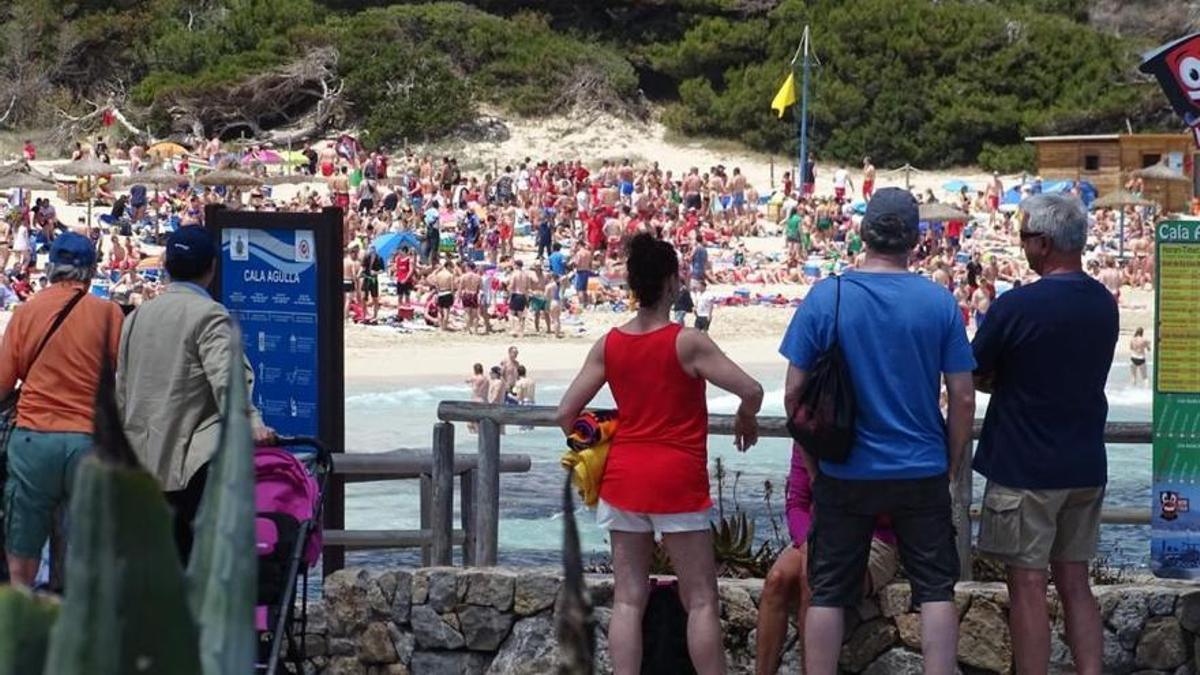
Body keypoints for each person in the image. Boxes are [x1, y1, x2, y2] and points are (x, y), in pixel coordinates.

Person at [780, 188, 975, 675]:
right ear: (915, 240)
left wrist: (814, 465)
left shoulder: (829, 296)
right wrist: (949, 463)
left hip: (845, 469)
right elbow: (964, 397)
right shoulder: (938, 302)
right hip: (921, 465)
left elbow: (792, 396)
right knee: (935, 589)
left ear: (864, 233)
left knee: (826, 590)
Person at [556, 233, 763, 675]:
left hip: (624, 478)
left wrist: (601, 436)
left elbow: (566, 412)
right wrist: (746, 417)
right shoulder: (687, 342)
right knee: (701, 599)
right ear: (672, 282)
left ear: (634, 284)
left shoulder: (609, 344)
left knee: (629, 599)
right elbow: (752, 389)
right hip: (677, 481)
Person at [972, 194, 1118, 675]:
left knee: (1028, 585)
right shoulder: (1103, 303)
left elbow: (974, 371)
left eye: (1025, 238)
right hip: (1084, 462)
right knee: (1076, 582)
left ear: (1045, 243)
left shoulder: (1017, 306)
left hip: (1025, 466)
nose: (1021, 246)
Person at [116, 227, 273, 562]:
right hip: (188, 465)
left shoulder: (137, 316)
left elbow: (122, 389)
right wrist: (253, 422)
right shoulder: (210, 315)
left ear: (166, 266)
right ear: (212, 268)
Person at [0, 233, 123, 587]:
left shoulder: (26, 311)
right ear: (90, 272)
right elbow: (122, 376)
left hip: (33, 439)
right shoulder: (109, 313)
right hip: (88, 440)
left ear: (51, 267)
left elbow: (5, 382)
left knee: (23, 538)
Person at [755, 446, 898, 675]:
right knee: (777, 580)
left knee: (813, 579)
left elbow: (889, 507)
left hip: (872, 536)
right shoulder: (808, 432)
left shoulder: (875, 431)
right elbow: (797, 504)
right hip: (817, 532)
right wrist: (807, 542)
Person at [360, 245, 385, 321]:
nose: (371, 251)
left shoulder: (379, 258)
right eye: (370, 249)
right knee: (364, 297)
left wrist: (376, 272)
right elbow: (363, 267)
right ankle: (364, 315)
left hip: (374, 279)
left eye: (373, 249)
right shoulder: (366, 257)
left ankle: (375, 315)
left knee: (375, 297)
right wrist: (360, 274)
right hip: (366, 278)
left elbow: (382, 270)